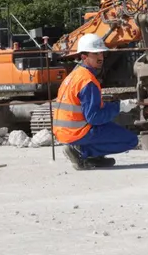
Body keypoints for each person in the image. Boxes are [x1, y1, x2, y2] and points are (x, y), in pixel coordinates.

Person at [53, 33, 140, 171]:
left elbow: (90, 108)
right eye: (96, 54)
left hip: (63, 131)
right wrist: (119, 107)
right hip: (77, 132)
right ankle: (84, 153)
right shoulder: (88, 81)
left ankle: (88, 154)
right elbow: (94, 117)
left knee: (110, 126)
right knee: (131, 140)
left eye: (101, 53)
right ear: (84, 56)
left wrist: (117, 105)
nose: (100, 57)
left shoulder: (75, 76)